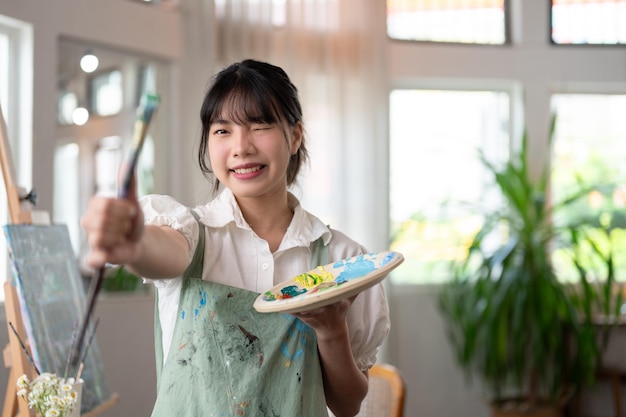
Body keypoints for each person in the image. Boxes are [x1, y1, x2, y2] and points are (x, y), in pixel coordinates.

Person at [81, 59, 390, 417]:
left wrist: (332, 329)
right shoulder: (192, 233)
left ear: (294, 136)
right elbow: (161, 250)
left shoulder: (343, 260)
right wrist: (134, 240)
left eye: (259, 126)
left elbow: (347, 405)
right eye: (222, 131)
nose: (241, 147)